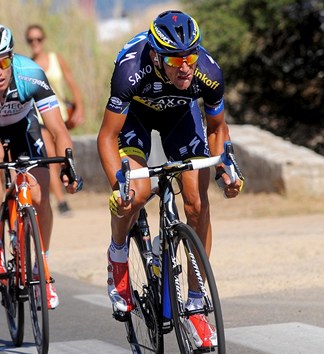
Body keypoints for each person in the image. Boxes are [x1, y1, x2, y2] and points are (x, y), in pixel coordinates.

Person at [97, 10, 243, 349]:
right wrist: (118, 186)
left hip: (181, 117)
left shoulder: (207, 72)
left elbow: (218, 128)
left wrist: (226, 170)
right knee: (136, 192)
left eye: (190, 55)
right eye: (175, 59)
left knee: (196, 203)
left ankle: (194, 304)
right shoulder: (130, 71)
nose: (185, 66)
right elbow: (107, 137)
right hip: (137, 117)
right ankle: (118, 256)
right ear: (156, 56)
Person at [0, 22, 83, 309]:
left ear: (11, 57)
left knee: (40, 194)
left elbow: (58, 130)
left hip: (24, 127)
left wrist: (68, 167)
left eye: (2, 62)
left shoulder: (31, 74)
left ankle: (42, 270)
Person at [25, 24, 85, 217]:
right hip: (39, 117)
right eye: (31, 40)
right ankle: (61, 201)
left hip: (61, 115)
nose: (35, 43)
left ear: (44, 40)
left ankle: (64, 186)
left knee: (62, 157)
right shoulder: (27, 65)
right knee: (50, 158)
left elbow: (71, 82)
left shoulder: (55, 59)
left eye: (38, 39)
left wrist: (79, 106)